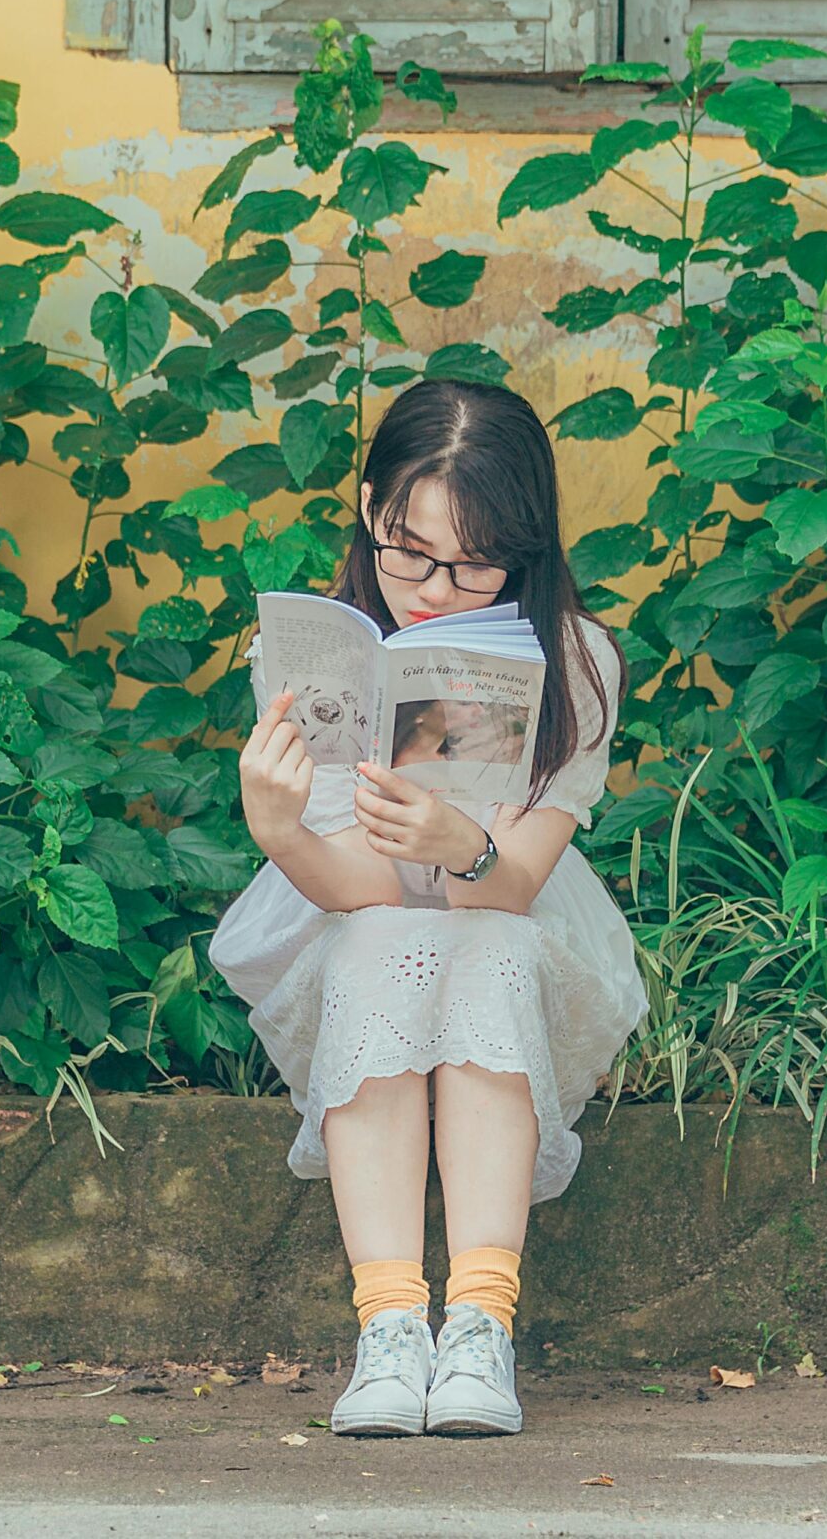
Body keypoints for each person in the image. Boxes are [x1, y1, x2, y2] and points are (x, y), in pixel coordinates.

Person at [209, 378, 640, 1439]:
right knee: (383, 934)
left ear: (524, 545)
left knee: (482, 939)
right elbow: (356, 886)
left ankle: (480, 1325)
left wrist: (464, 847)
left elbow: (519, 883)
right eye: (411, 552)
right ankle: (391, 1326)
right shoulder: (313, 657)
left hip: (514, 927)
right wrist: (280, 831)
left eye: (475, 559)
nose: (438, 588)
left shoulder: (580, 661)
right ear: (368, 512)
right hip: (352, 923)